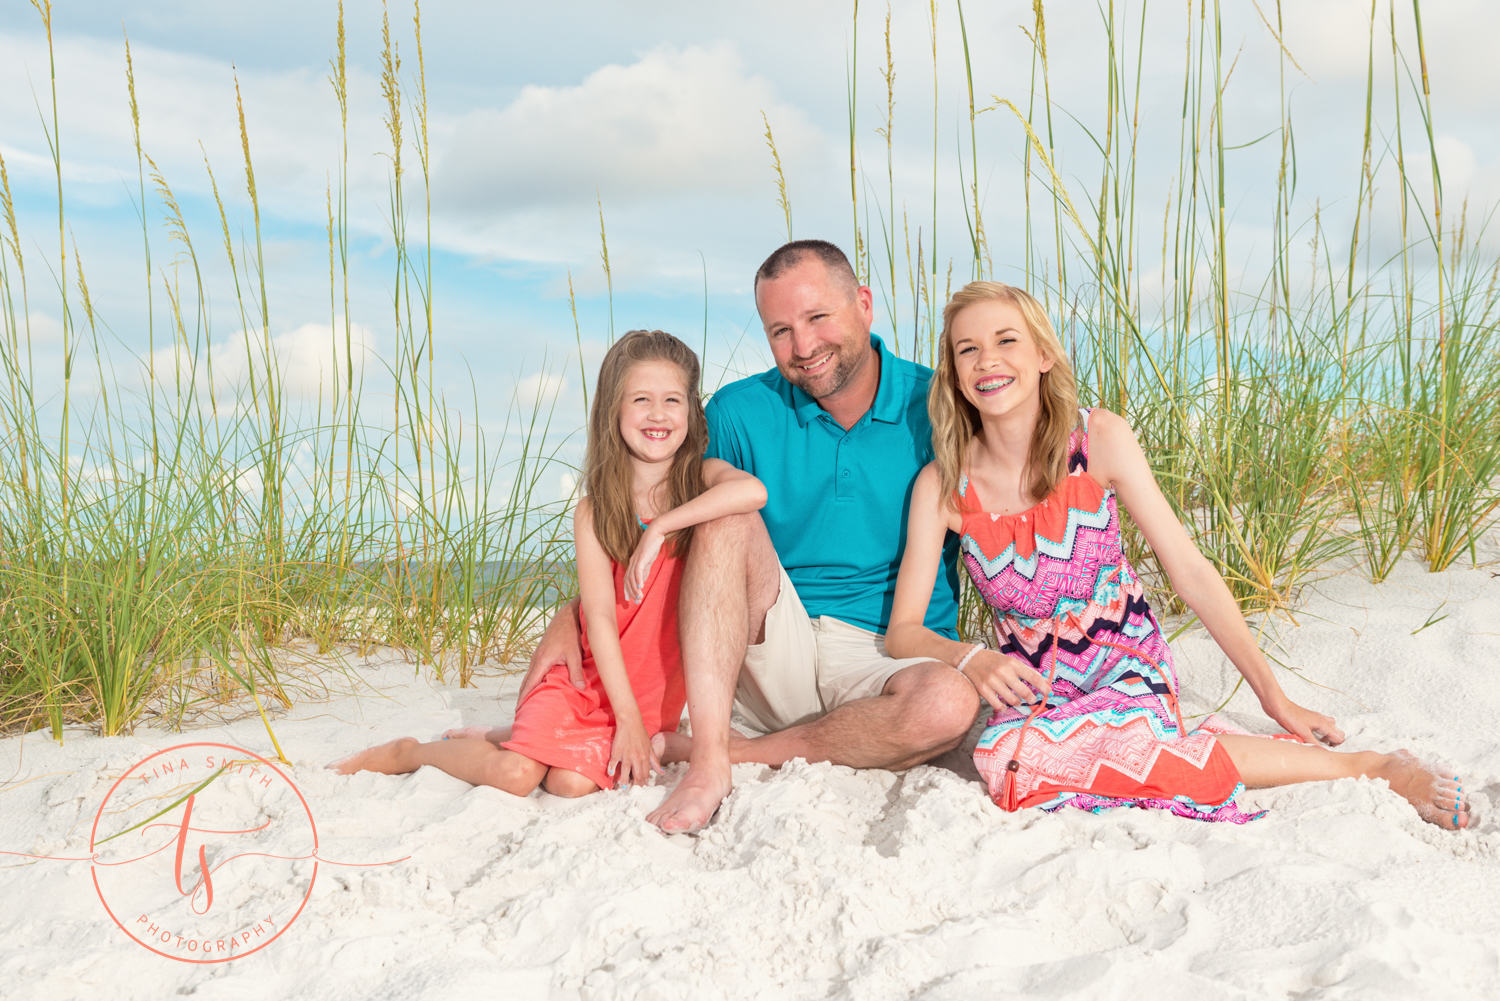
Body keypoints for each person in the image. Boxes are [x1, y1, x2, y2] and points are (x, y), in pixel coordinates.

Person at [885, 280, 1472, 828]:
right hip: (1036, 691)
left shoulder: (1098, 440)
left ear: (1042, 356)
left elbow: (1189, 571)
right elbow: (903, 632)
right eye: (968, 350)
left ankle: (1370, 766)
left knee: (1123, 744)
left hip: (1125, 665)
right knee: (1004, 761)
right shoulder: (943, 485)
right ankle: (1156, 744)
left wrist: (1275, 697)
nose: (987, 359)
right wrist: (971, 660)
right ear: (955, 375)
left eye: (1005, 340)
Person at [524, 241, 981, 833]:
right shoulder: (740, 411)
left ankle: (743, 752)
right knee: (725, 512)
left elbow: (1013, 521)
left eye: (818, 318)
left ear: (864, 305)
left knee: (949, 705)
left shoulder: (942, 405)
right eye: (780, 331)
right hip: (768, 640)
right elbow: (652, 514)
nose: (804, 346)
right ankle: (711, 761)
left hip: (883, 653)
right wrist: (575, 614)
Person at [330, 330, 767, 798]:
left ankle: (503, 734)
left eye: (672, 400)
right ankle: (408, 753)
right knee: (518, 775)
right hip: (588, 681)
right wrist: (626, 721)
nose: (657, 414)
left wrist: (660, 528)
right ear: (614, 410)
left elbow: (753, 492)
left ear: (691, 411)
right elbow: (597, 619)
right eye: (641, 399)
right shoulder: (597, 508)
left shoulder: (701, 479)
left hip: (649, 688)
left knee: (570, 783)